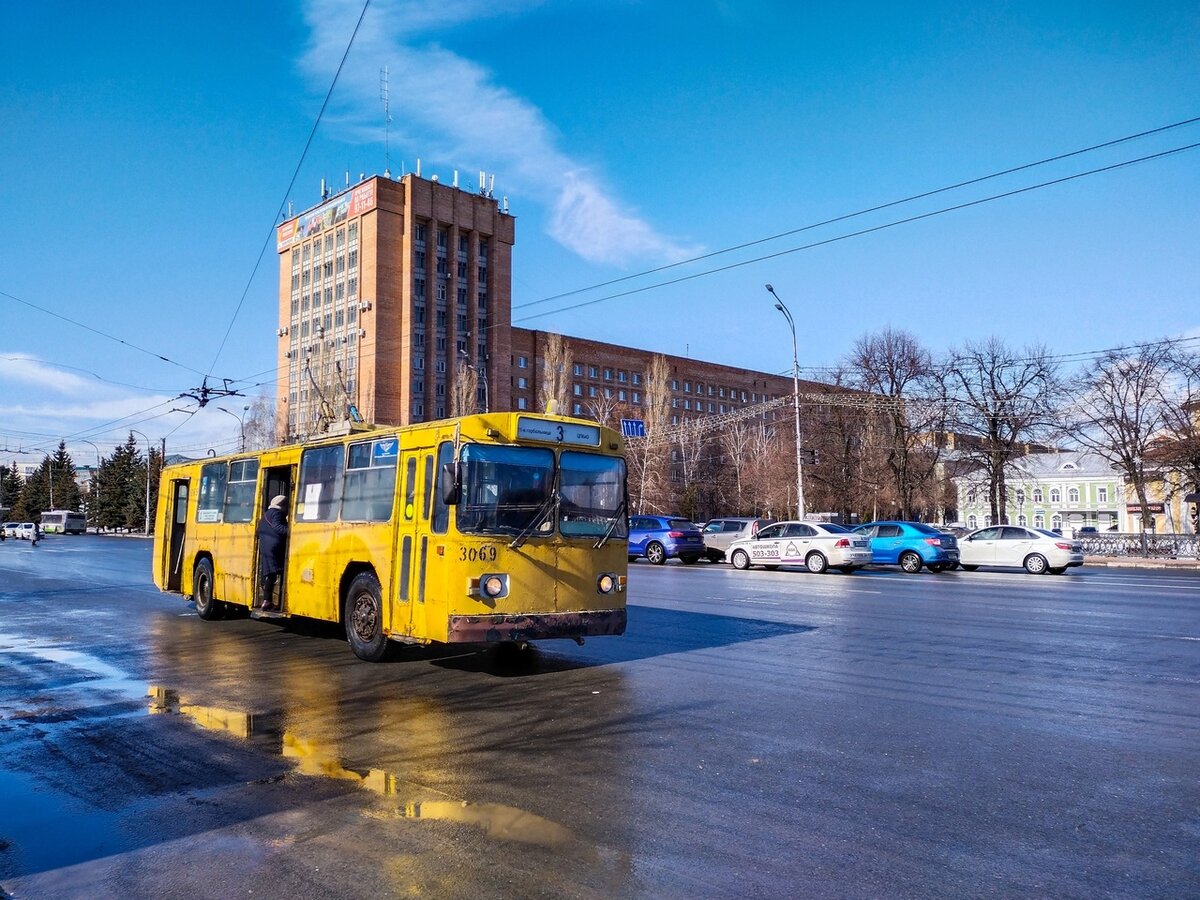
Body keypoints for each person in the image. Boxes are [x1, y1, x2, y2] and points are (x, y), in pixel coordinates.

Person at [256, 494, 288, 610]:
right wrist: (292, 530)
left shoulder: (266, 514)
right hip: (276, 547)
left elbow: (259, 530)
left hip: (266, 547)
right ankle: (276, 601)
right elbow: (277, 527)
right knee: (283, 572)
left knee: (271, 574)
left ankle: (266, 601)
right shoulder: (277, 513)